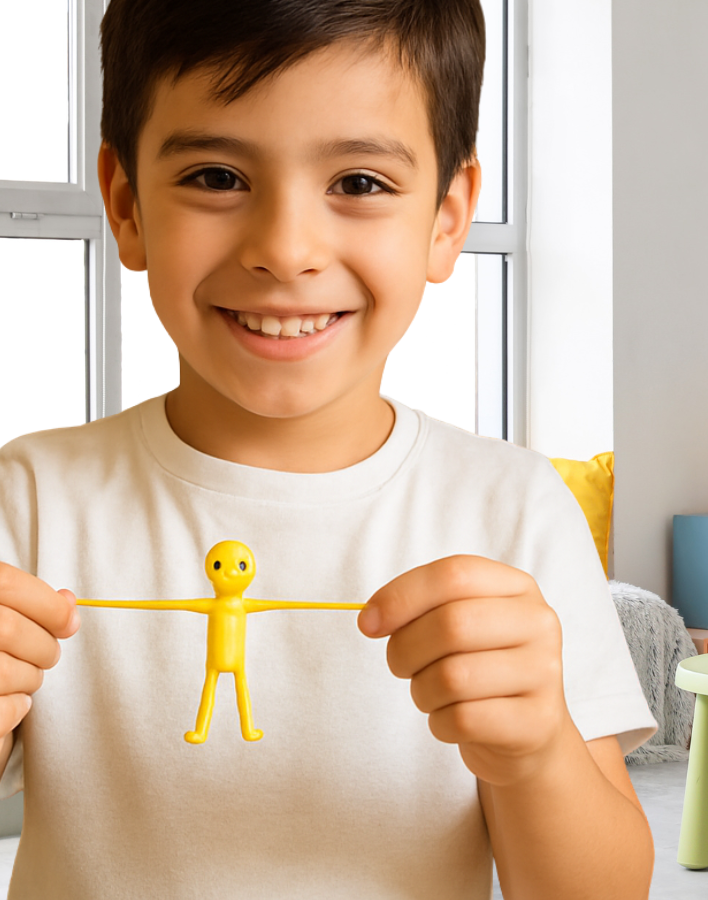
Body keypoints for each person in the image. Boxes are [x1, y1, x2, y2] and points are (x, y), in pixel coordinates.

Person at [0, 1, 656, 896]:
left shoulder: (512, 509)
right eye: (217, 176)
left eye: (359, 184)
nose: (285, 250)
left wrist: (537, 751)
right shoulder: (29, 499)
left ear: (447, 216)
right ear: (125, 206)